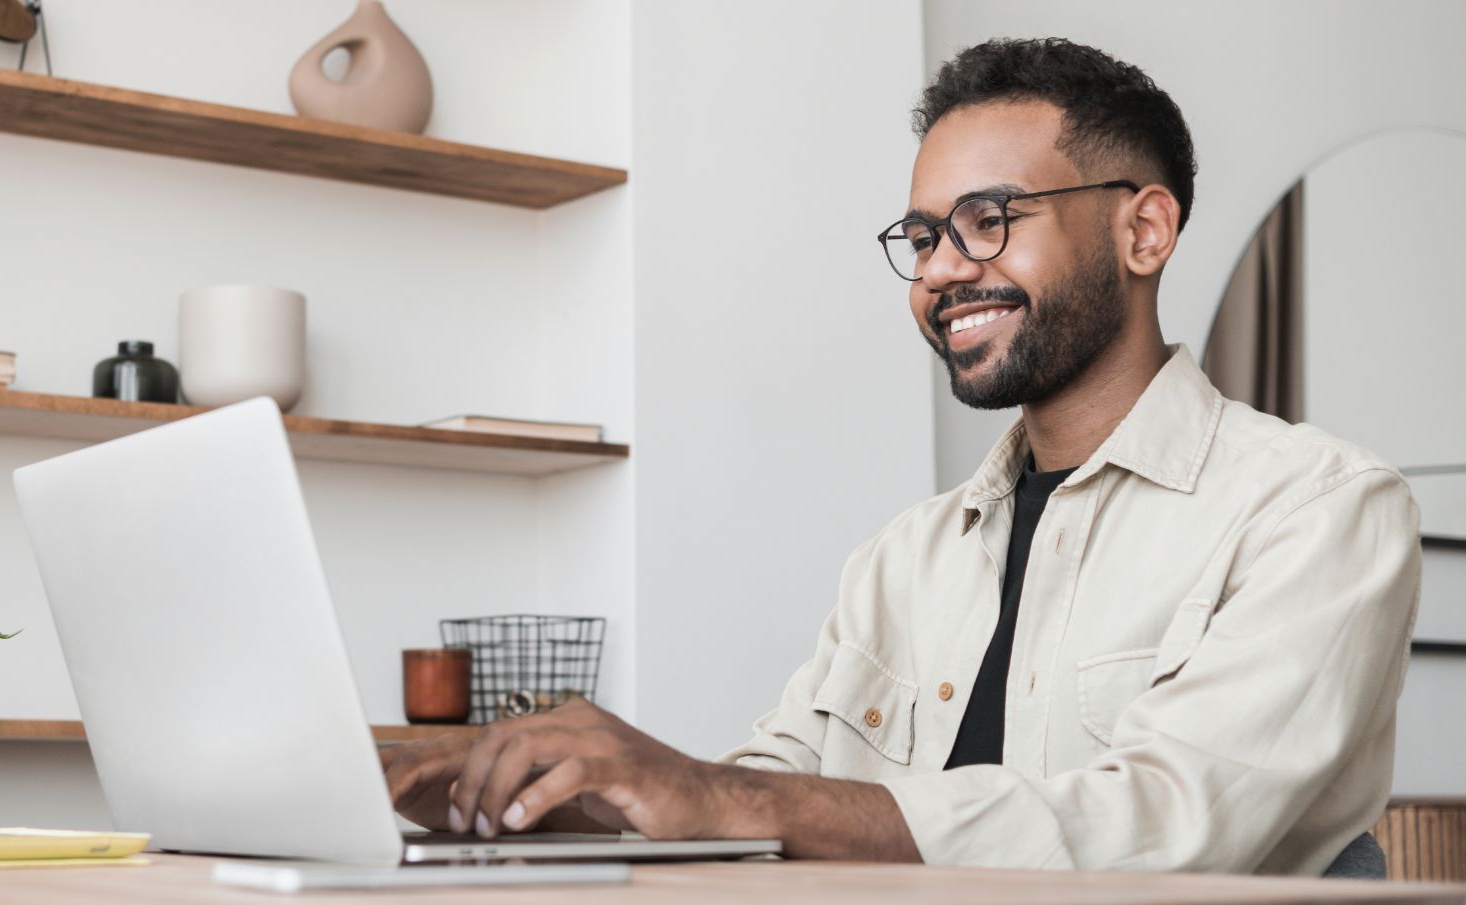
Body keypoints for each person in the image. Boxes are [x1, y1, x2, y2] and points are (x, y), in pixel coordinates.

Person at [381, 38, 1420, 875]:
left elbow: (1167, 821)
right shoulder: (903, 557)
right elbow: (756, 799)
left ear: (1143, 230)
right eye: (923, 238)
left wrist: (729, 796)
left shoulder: (1318, 510)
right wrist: (516, 790)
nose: (943, 272)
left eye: (988, 220)